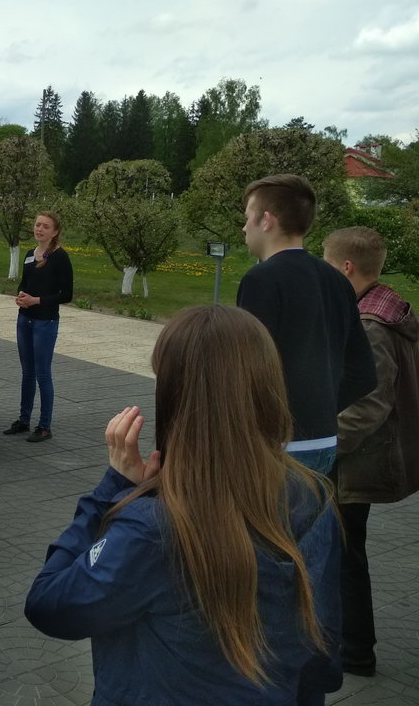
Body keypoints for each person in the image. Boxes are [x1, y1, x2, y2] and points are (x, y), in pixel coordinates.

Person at [25, 305, 343, 705]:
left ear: (173, 395)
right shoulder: (312, 496)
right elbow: (322, 650)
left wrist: (111, 489)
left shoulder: (154, 526)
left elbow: (50, 606)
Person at [322, 226, 419, 677]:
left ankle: (356, 651)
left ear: (345, 267)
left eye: (326, 263)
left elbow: (368, 407)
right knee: (343, 551)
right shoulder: (384, 307)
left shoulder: (371, 326)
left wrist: (324, 446)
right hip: (362, 455)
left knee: (345, 556)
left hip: (357, 461)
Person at [237, 174, 376, 474]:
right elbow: (364, 373)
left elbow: (245, 368)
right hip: (325, 444)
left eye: (247, 217)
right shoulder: (338, 281)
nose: (244, 227)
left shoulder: (261, 280)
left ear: (266, 220)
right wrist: (319, 408)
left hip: (276, 446)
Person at [3, 211, 73, 443]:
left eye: (45, 226)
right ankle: (24, 420)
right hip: (25, 319)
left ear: (55, 232)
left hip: (45, 322)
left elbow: (66, 294)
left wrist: (37, 301)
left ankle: (44, 426)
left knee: (43, 374)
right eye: (37, 225)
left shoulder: (60, 257)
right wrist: (21, 296)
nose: (39, 229)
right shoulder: (29, 255)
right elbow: (25, 283)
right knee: (27, 372)